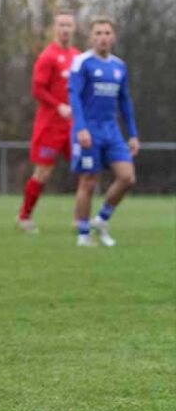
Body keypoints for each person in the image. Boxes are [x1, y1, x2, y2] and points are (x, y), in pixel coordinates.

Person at [69, 16, 138, 247]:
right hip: (89, 131)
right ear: (91, 37)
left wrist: (133, 134)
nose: (103, 37)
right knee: (88, 181)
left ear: (113, 37)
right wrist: (80, 128)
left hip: (112, 132)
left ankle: (101, 219)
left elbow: (125, 102)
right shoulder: (82, 63)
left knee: (127, 177)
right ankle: (83, 234)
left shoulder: (119, 66)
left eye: (107, 33)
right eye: (98, 33)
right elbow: (74, 97)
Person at [16, 11, 81, 233]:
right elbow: (37, 89)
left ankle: (79, 219)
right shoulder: (48, 56)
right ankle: (24, 217)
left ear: (74, 28)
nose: (65, 29)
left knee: (86, 170)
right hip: (50, 126)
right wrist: (58, 106)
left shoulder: (77, 57)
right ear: (55, 28)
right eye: (61, 25)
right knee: (43, 173)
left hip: (72, 126)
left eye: (69, 25)